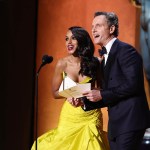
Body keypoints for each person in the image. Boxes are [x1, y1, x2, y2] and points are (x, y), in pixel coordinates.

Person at [31, 26, 109, 150]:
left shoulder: (95, 63)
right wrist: (71, 94)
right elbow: (55, 93)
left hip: (91, 116)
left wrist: (85, 94)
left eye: (73, 38)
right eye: (66, 39)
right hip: (70, 116)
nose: (69, 42)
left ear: (82, 41)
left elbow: (103, 90)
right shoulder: (62, 64)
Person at [82, 12, 150, 150]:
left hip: (130, 121)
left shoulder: (126, 51)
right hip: (116, 125)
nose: (93, 29)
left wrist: (101, 94)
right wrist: (84, 101)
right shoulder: (103, 59)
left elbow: (133, 85)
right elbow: (110, 93)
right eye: (92, 26)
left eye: (98, 26)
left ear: (112, 29)